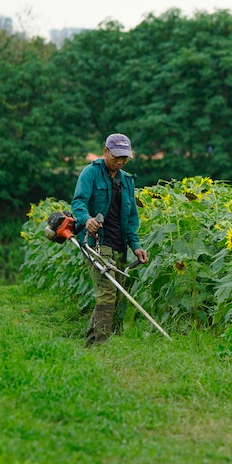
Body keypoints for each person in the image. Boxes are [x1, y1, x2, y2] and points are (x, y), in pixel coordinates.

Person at [71, 133, 148, 346]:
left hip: (119, 244)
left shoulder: (127, 181)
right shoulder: (90, 173)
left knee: (115, 296)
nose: (121, 161)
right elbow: (78, 203)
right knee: (106, 294)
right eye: (116, 156)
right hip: (96, 241)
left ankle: (90, 345)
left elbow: (132, 217)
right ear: (105, 151)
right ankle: (101, 347)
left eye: (125, 157)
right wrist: (86, 220)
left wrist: (136, 245)